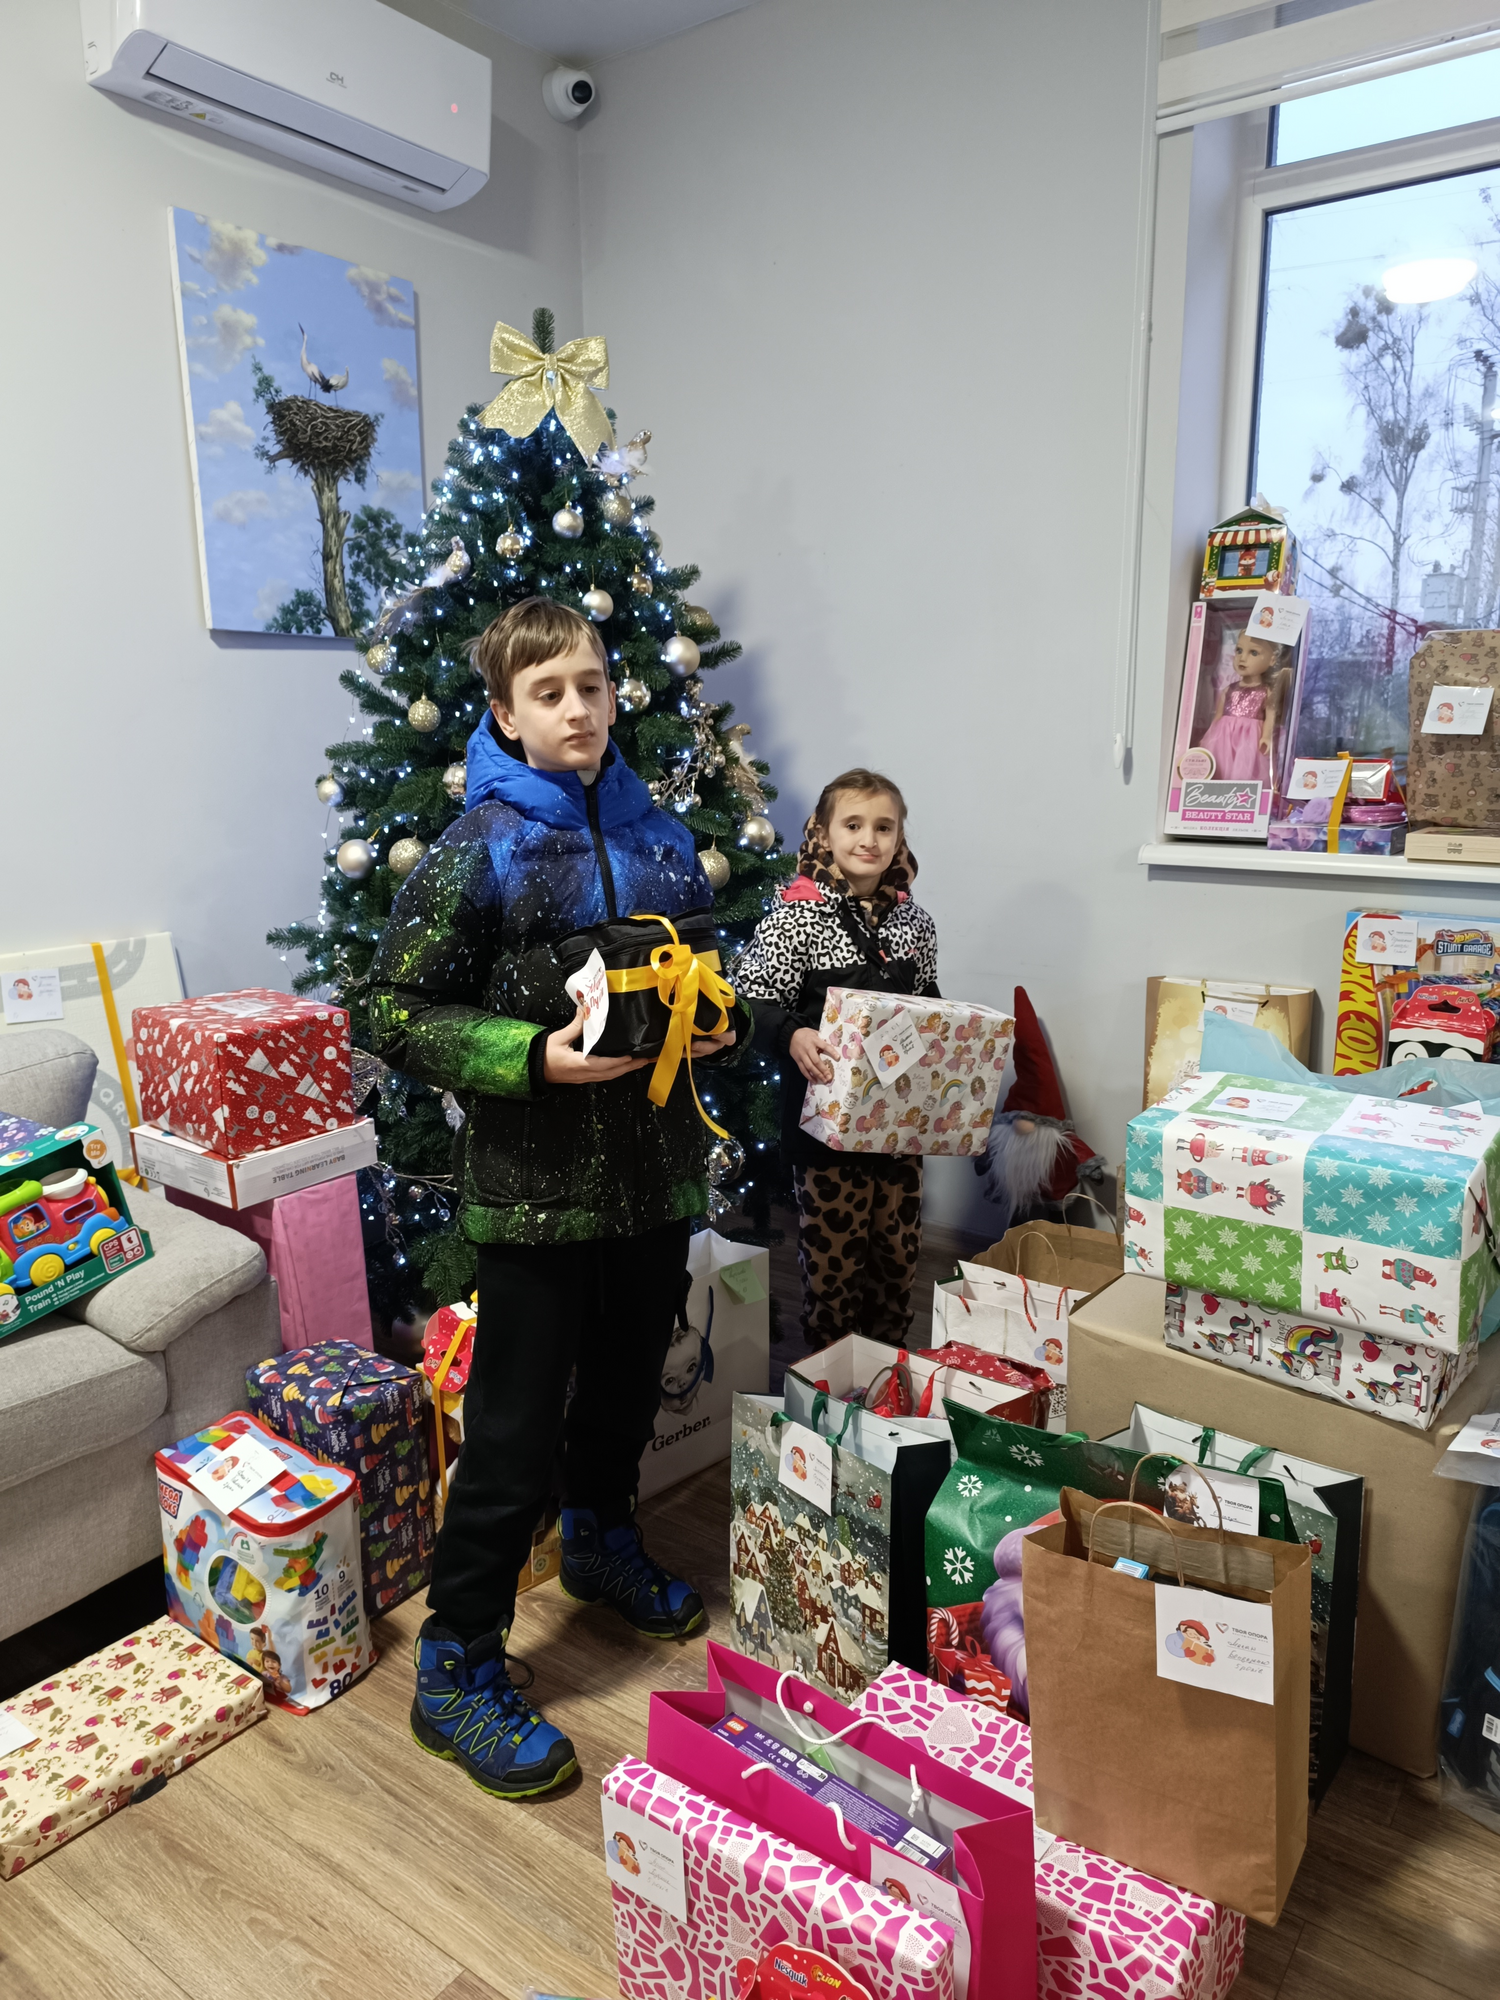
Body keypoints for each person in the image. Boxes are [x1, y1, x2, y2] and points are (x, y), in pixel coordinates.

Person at [368, 597, 747, 1802]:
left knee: (629, 1380)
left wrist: (721, 1015)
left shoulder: (665, 836)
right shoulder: (478, 846)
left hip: (653, 1175)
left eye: (591, 684)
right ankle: (455, 1663)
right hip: (533, 1195)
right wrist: (528, 1056)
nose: (577, 708)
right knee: (513, 1429)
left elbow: (706, 963)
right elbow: (389, 1011)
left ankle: (600, 1540)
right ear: (505, 714)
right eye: (548, 692)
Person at [732, 769, 937, 1349]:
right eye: (853, 825)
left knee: (897, 1257)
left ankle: (888, 1369)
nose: (869, 839)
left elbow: (929, 1003)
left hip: (898, 1131)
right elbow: (749, 1000)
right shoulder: (796, 918)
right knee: (833, 1265)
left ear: (899, 837)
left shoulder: (915, 923)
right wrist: (792, 1034)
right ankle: (828, 1374)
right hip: (826, 1134)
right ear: (823, 834)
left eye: (883, 827)